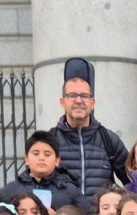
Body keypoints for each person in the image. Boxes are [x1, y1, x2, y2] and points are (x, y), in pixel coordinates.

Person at [52, 58, 129, 201]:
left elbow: (134, 182)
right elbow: (33, 183)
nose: (79, 101)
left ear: (92, 103)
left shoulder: (109, 140)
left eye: (84, 96)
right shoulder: (50, 140)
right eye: (72, 95)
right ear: (62, 102)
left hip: (100, 214)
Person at [0, 131, 86, 212]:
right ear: (26, 159)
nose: (41, 158)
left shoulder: (70, 191)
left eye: (47, 154)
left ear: (57, 161)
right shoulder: (11, 190)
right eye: (36, 154)